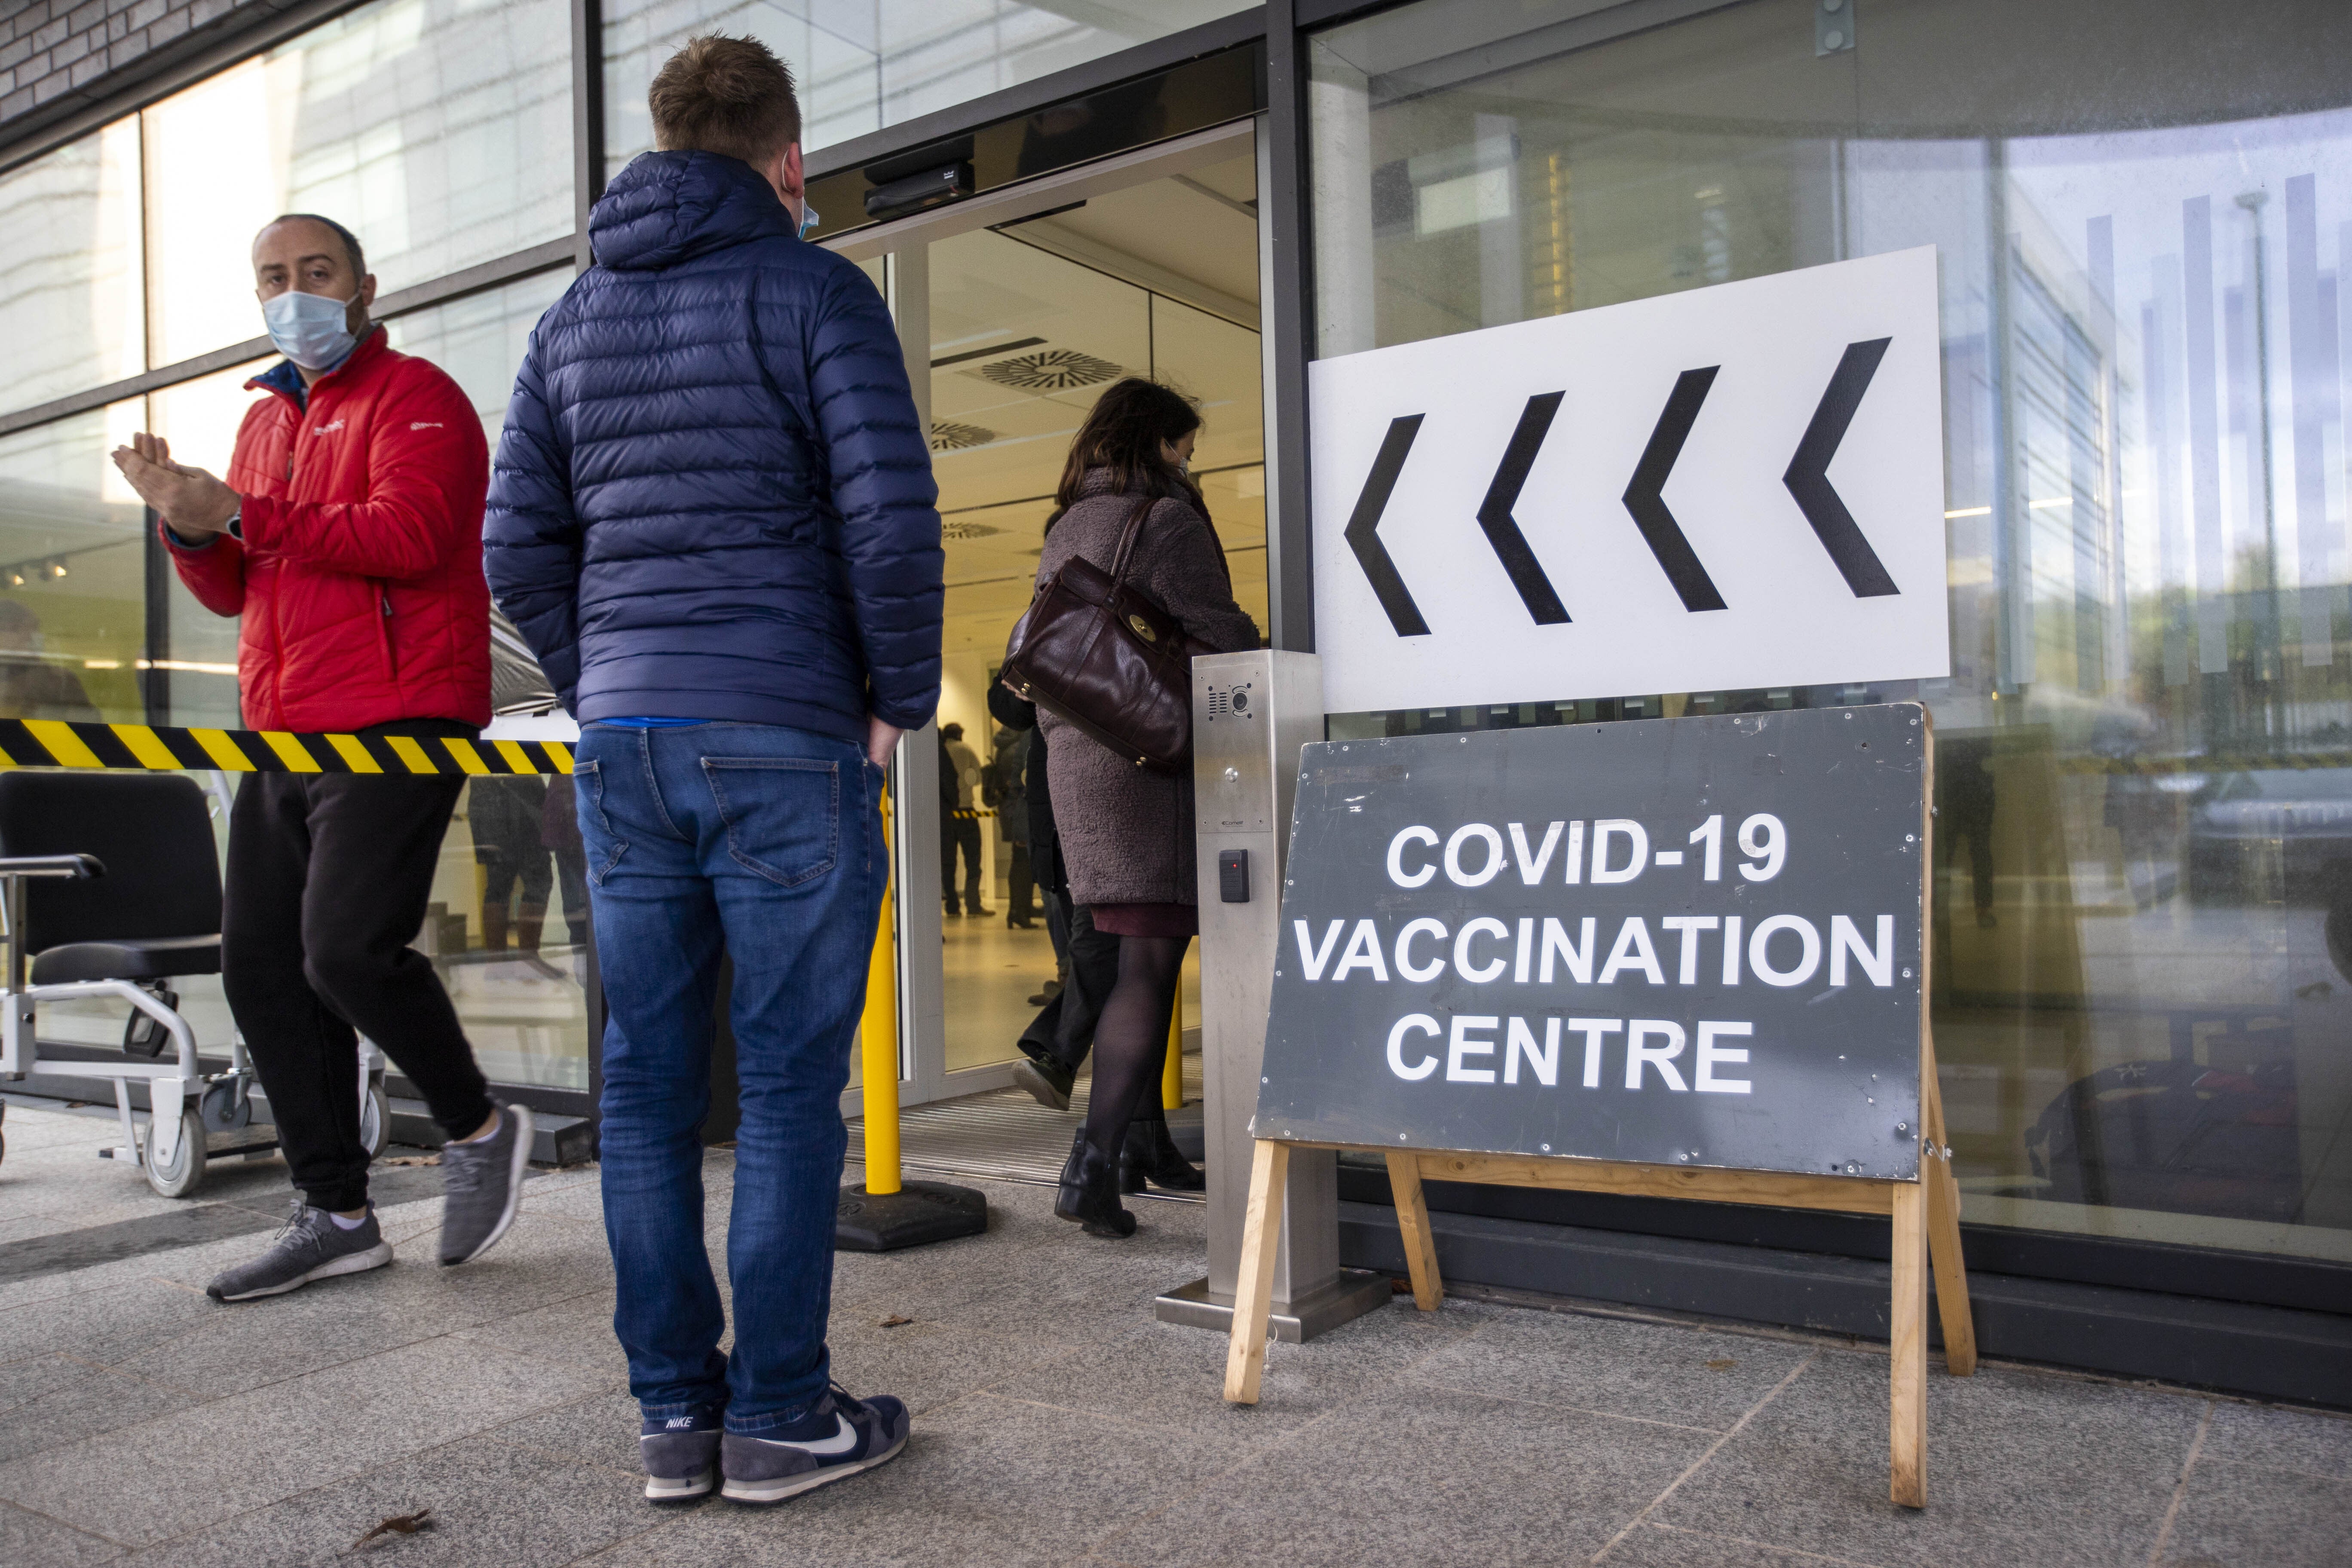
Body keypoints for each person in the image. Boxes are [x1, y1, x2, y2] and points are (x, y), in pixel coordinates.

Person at [484, 34, 938, 1507]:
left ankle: (676, 1418)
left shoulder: (565, 325)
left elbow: (515, 550)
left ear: (666, 144)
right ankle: (783, 1413)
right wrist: (896, 698)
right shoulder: (817, 290)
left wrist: (602, 680)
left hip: (621, 743)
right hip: (786, 728)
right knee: (796, 1086)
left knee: (644, 1082)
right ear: (787, 162)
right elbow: (889, 517)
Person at [107, 212, 533, 1301]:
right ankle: (336, 1211)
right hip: (283, 723)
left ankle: (478, 1124)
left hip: (398, 716)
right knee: (260, 967)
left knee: (345, 952)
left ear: (364, 287)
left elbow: (410, 537)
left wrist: (243, 508)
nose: (294, 291)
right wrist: (190, 528)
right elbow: (238, 586)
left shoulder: (419, 397)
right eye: (274, 277)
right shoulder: (263, 422)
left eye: (317, 272)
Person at [1035, 378, 1256, 1236]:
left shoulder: (1068, 522)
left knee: (1134, 956)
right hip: (1145, 760)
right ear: (1156, 441)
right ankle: (1090, 1165)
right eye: (1184, 445)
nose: (1190, 460)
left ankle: (1122, 1152)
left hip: (1082, 757)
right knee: (1148, 965)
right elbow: (1223, 638)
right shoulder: (1164, 520)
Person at [0, 602, 100, 721]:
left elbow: (89, 726)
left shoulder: (60, 681)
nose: (29, 636)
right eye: (15, 629)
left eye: (35, 629)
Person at [986, 720, 1037, 928]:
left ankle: (1022, 908)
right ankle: (1018, 911)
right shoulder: (1018, 748)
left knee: (1020, 864)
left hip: (1011, 812)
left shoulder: (1005, 747)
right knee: (1022, 866)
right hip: (1018, 813)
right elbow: (1019, 785)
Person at [938, 721, 987, 917]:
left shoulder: (941, 751)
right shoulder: (966, 749)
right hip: (967, 812)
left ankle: (952, 905)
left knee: (948, 862)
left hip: (947, 815)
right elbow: (978, 777)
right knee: (973, 861)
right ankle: (973, 904)